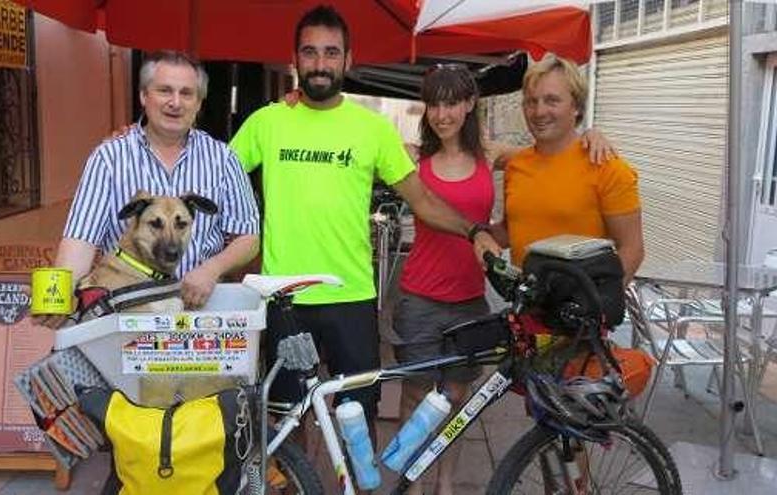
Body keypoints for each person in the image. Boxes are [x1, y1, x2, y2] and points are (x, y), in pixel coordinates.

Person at [229, 5, 500, 438]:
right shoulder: (267, 122)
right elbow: (215, 172)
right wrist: (147, 139)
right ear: (295, 58)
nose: (320, 64)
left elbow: (422, 200)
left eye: (331, 53)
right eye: (310, 52)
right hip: (285, 299)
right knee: (286, 419)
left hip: (351, 297)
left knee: (359, 417)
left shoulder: (371, 129)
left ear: (348, 60)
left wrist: (474, 231)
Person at [53, 51, 260, 312]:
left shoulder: (224, 159)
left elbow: (248, 237)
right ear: (144, 96)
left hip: (200, 313)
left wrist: (211, 269)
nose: (175, 102)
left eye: (186, 93)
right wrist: (56, 304)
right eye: (164, 90)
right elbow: (79, 242)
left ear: (198, 102)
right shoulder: (109, 158)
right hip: (128, 315)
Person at [390, 64, 496, 495]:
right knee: (417, 396)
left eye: (451, 102)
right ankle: (413, 483)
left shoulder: (491, 154)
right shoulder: (413, 157)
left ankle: (446, 483)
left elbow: (550, 150)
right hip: (420, 296)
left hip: (470, 297)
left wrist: (590, 135)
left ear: (470, 104)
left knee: (455, 398)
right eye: (434, 103)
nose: (442, 113)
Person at [490, 53, 643, 282]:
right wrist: (465, 228)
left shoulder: (607, 167)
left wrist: (597, 304)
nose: (539, 112)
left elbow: (632, 249)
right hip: (525, 309)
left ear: (576, 107)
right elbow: (510, 233)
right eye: (532, 101)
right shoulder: (517, 166)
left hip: (580, 311)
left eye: (552, 100)